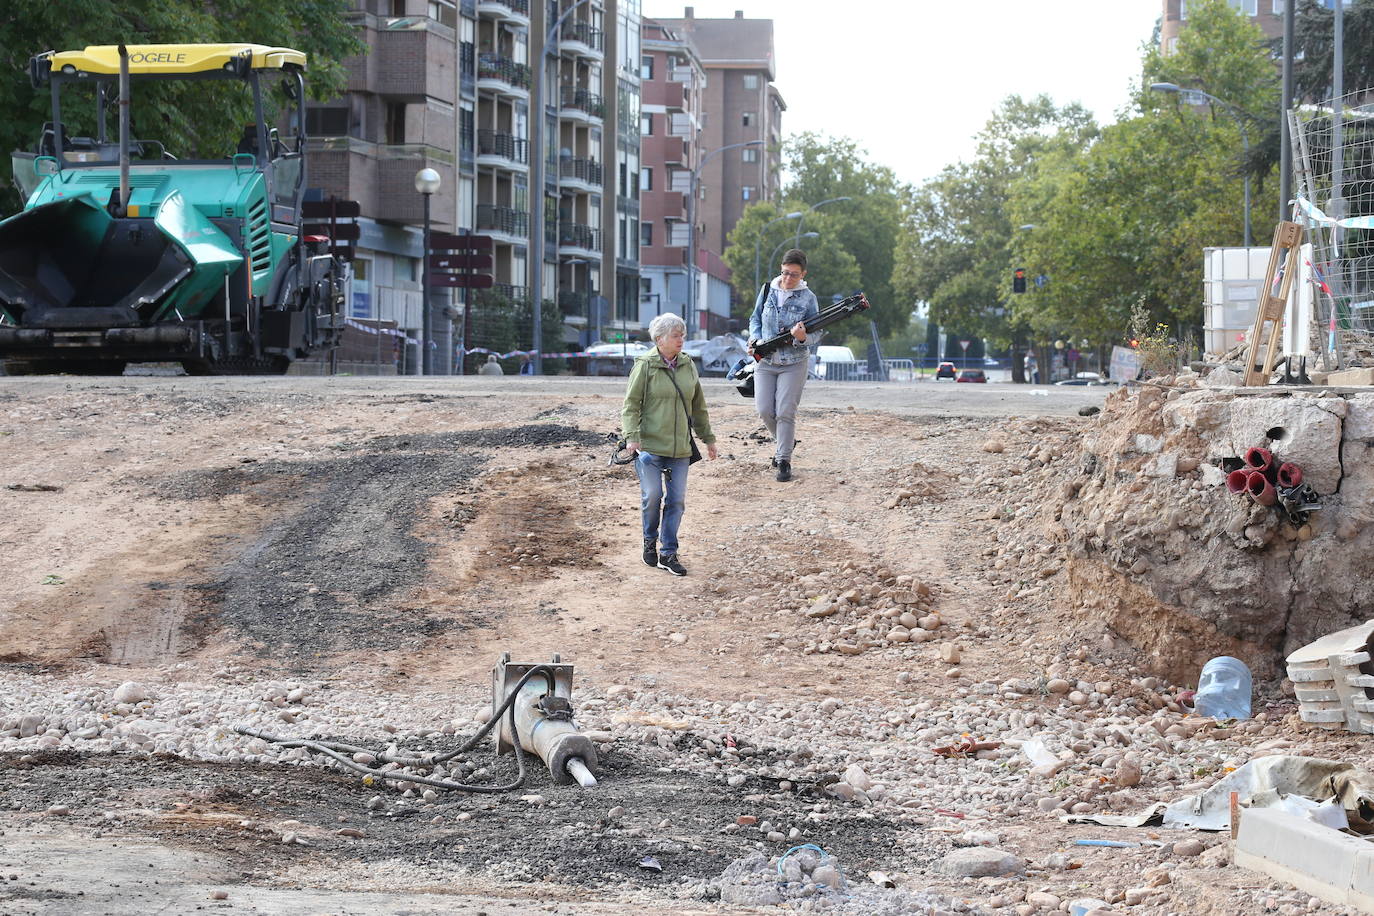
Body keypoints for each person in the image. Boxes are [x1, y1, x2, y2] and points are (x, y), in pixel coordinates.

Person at [621, 313, 718, 576]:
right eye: (675, 335)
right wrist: (631, 436)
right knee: (652, 496)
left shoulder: (688, 364)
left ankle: (668, 553)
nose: (681, 340)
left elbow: (698, 406)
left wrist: (708, 438)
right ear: (659, 339)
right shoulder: (645, 365)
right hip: (650, 447)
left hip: (680, 449)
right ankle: (649, 541)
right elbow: (631, 405)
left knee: (676, 501)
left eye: (682, 335)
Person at [747, 248, 819, 482]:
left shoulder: (808, 298)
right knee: (764, 410)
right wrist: (755, 339)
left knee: (785, 411)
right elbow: (755, 319)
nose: (788, 278)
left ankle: (783, 460)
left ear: (803, 274)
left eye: (794, 274)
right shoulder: (767, 290)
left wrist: (802, 337)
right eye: (785, 272)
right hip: (765, 360)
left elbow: (817, 333)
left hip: (794, 363)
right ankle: (785, 442)